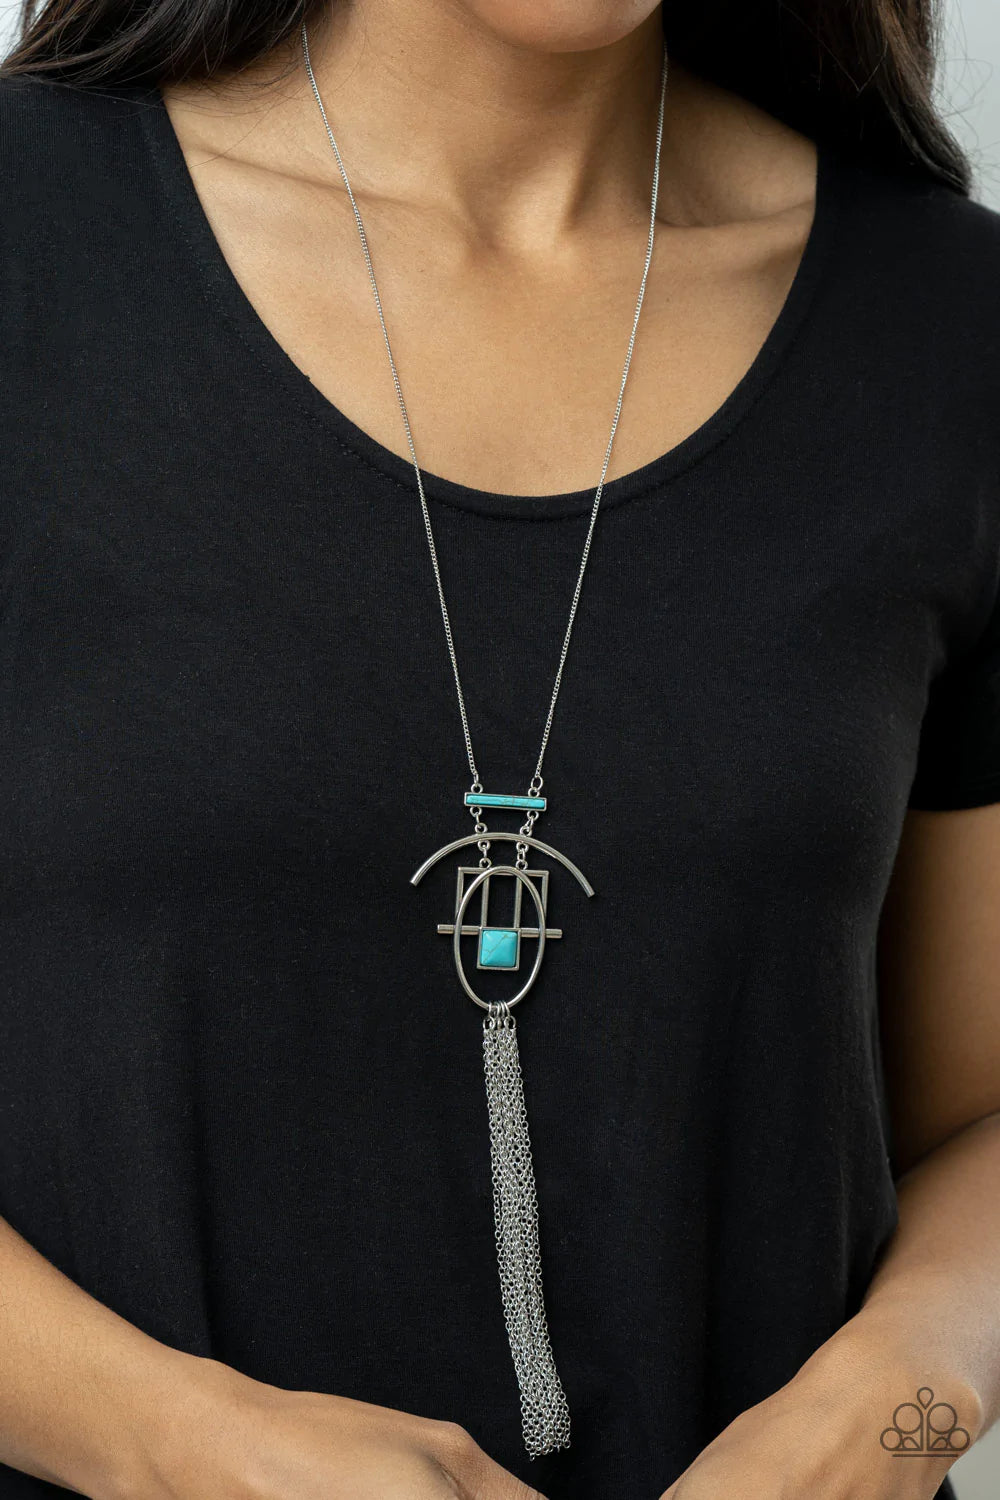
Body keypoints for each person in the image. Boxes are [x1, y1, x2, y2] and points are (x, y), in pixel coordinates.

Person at [0, 0, 998, 1497]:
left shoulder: (948, 330)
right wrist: (177, 1450)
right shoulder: (31, 243)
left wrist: (891, 1412)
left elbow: (977, 1114)